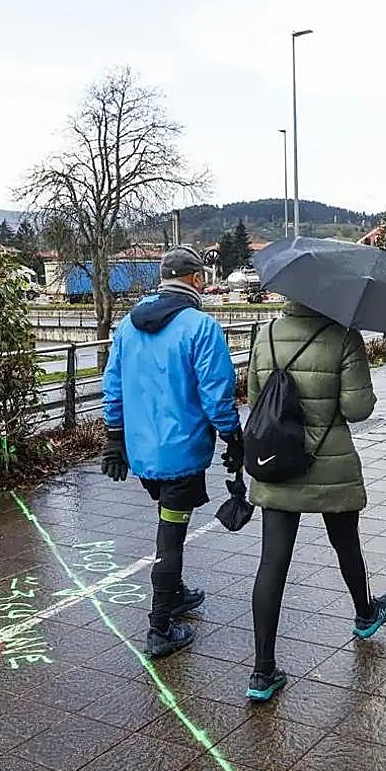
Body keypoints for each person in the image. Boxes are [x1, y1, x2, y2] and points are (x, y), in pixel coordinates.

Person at [243, 300, 386, 702]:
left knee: (272, 562)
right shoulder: (344, 336)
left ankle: (262, 672)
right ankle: (366, 614)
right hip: (330, 465)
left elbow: (256, 397)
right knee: (347, 546)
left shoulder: (267, 336)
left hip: (278, 463)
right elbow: (357, 408)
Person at [101, 245, 244, 658]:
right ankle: (160, 627)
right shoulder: (201, 327)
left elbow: (112, 387)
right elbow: (217, 396)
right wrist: (233, 436)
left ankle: (176, 593)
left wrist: (114, 437)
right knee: (171, 537)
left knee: (167, 519)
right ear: (197, 279)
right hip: (181, 453)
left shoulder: (128, 326)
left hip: (142, 452)